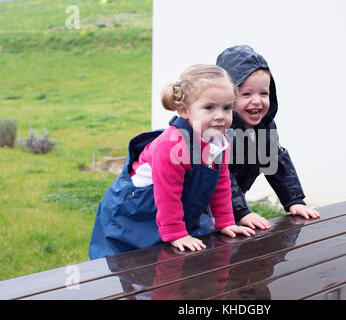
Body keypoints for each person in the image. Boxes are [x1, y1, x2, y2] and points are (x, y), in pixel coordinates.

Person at [89, 64, 255, 259]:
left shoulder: (218, 141)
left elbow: (220, 184)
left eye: (227, 108)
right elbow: (167, 194)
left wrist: (226, 221)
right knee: (135, 266)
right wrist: (177, 234)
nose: (220, 116)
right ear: (184, 110)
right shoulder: (171, 146)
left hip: (171, 210)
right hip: (136, 212)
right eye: (209, 107)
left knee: (183, 265)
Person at [216, 45, 320, 230]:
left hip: (231, 202)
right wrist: (241, 212)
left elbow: (276, 162)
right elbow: (222, 174)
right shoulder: (219, 129)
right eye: (246, 94)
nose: (257, 100)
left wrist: (294, 200)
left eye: (263, 93)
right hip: (201, 204)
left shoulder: (264, 126)